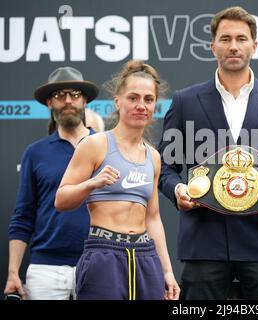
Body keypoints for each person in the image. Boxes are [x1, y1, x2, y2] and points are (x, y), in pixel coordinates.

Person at [158, 6, 258, 300]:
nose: (234, 46)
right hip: (204, 241)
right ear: (212, 46)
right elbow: (165, 167)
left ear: (255, 45)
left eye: (241, 38)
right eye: (225, 39)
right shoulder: (185, 101)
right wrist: (178, 190)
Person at [54, 60, 180, 300]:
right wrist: (92, 183)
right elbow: (61, 200)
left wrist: (167, 271)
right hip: (104, 254)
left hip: (145, 255)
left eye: (148, 99)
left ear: (155, 105)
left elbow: (153, 218)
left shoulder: (153, 156)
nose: (141, 105)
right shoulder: (96, 144)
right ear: (118, 102)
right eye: (133, 98)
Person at [4, 67, 98, 300]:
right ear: (49, 102)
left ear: (84, 99)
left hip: (98, 262)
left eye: (75, 94)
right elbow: (23, 216)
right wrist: (13, 272)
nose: (68, 101)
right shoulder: (35, 153)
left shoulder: (106, 145)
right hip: (45, 268)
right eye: (59, 95)